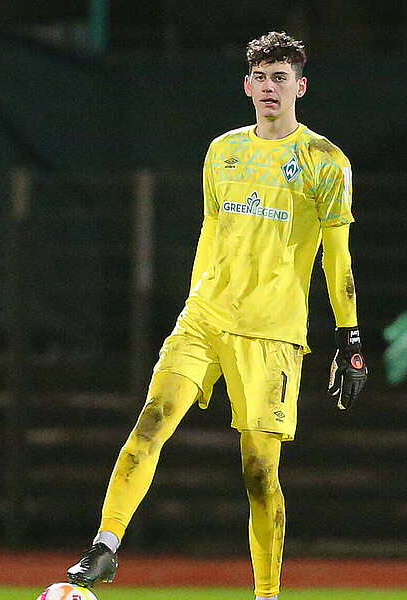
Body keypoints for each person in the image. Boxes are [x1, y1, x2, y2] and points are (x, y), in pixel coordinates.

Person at [65, 31, 368, 600]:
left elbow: (337, 257)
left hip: (272, 332)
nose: (271, 87)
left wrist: (349, 341)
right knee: (152, 420)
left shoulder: (325, 162)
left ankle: (267, 594)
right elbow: (212, 232)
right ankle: (105, 546)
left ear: (300, 87)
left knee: (259, 474)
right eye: (262, 77)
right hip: (204, 318)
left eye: (282, 77)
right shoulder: (222, 151)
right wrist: (194, 299)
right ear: (247, 85)